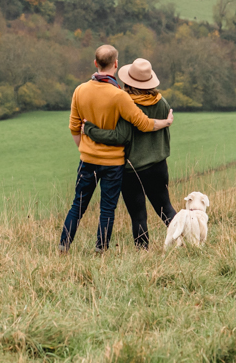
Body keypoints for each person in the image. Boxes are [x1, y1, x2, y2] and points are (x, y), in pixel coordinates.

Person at [61, 45, 174, 253]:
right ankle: (102, 249)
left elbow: (83, 129)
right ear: (116, 64)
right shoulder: (146, 100)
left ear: (95, 63)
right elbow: (150, 127)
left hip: (110, 164)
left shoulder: (94, 94)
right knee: (157, 209)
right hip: (137, 164)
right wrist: (166, 123)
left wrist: (88, 140)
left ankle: (64, 246)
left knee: (83, 207)